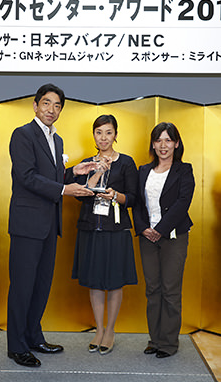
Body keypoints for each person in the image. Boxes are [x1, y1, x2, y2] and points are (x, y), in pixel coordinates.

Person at [7, 83, 97, 367]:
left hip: (49, 224)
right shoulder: (22, 134)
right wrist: (65, 189)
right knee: (22, 286)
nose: (51, 109)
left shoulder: (56, 140)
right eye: (46, 103)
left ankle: (34, 337)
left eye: (57, 106)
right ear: (35, 106)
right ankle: (16, 346)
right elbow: (27, 176)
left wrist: (73, 171)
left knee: (41, 285)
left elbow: (52, 176)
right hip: (27, 224)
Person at [67, 114, 138, 355]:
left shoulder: (126, 162)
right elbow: (80, 194)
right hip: (91, 229)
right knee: (95, 280)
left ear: (115, 135)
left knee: (115, 281)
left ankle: (110, 330)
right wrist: (97, 172)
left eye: (108, 132)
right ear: (94, 136)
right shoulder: (86, 163)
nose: (104, 137)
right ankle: (98, 329)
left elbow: (133, 198)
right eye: (99, 132)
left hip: (116, 230)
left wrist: (115, 195)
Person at [132, 122, 195, 359]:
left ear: (176, 143)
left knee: (170, 290)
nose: (163, 145)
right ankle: (155, 340)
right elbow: (137, 203)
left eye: (168, 140)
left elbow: (182, 203)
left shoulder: (184, 170)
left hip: (173, 237)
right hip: (147, 237)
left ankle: (168, 343)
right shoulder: (143, 171)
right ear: (153, 144)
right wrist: (143, 229)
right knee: (152, 289)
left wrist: (160, 229)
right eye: (158, 140)